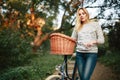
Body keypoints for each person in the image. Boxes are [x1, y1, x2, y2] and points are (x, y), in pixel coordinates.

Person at [71, 8, 105, 80]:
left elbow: (102, 40)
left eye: (83, 13)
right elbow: (72, 39)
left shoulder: (95, 24)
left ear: (87, 14)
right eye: (79, 14)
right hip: (79, 54)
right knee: (82, 77)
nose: (82, 15)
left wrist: (93, 42)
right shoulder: (77, 26)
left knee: (85, 78)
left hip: (91, 54)